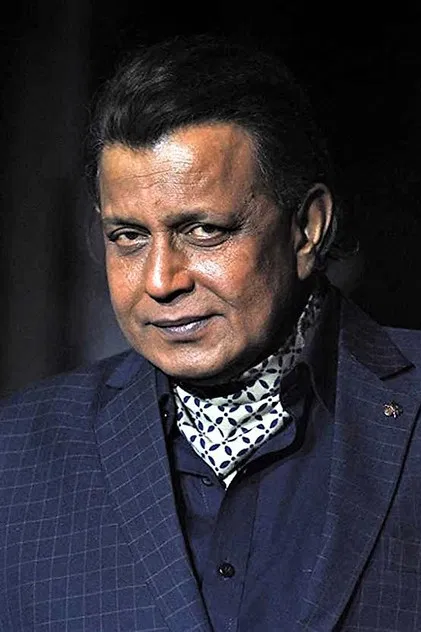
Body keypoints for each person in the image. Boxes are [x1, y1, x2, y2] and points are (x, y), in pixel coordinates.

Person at [1, 33, 420, 632]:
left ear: (307, 229)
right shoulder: (17, 455)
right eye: (129, 237)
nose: (160, 281)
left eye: (204, 231)